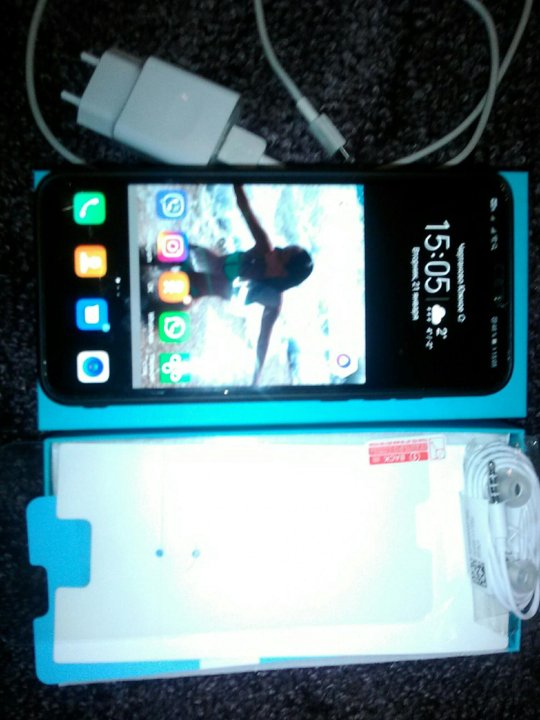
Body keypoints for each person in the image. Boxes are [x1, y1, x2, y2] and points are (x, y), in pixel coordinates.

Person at [187, 185, 313, 384]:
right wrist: (236, 180)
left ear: (283, 273)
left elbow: (263, 341)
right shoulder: (264, 247)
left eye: (281, 254)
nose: (276, 249)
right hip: (211, 262)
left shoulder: (273, 300)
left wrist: (256, 379)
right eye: (281, 248)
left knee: (161, 303)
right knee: (164, 250)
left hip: (208, 287)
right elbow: (244, 207)